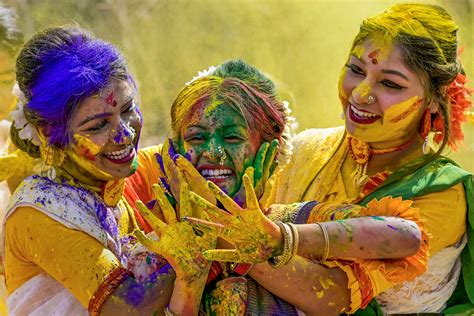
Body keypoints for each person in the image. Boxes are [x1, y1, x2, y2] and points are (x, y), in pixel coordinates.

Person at [186, 3, 473, 315]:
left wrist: (242, 241)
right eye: (356, 70)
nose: (361, 94)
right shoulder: (310, 148)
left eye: (390, 83)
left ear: (435, 99)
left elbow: (333, 296)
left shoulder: (442, 194)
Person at [131, 59, 428, 315]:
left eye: (233, 138)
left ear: (272, 154)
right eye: (196, 138)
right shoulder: (161, 245)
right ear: (175, 152)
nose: (213, 152)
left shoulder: (290, 221)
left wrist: (278, 240)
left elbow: (406, 237)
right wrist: (188, 279)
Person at [2, 26, 217, 315]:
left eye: (127, 109)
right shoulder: (39, 212)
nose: (125, 134)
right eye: (98, 126)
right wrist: (194, 229)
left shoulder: (113, 182)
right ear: (48, 132)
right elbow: (127, 308)